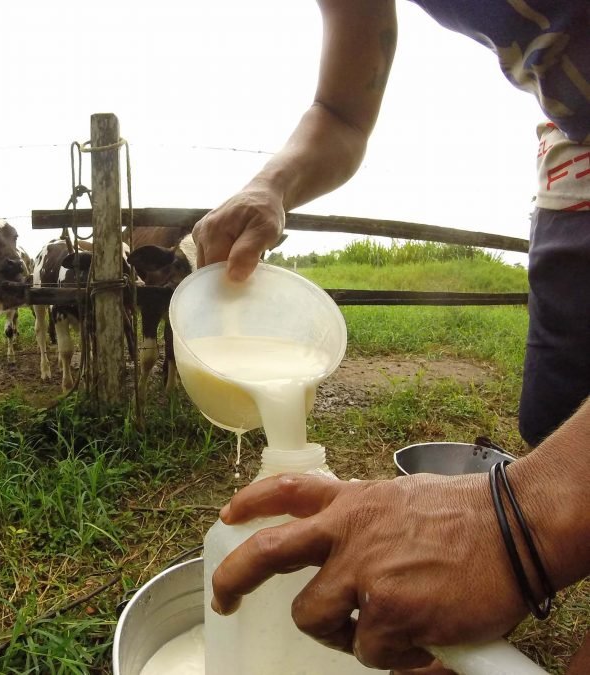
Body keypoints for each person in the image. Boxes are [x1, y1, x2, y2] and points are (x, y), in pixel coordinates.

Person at [192, 1, 590, 672]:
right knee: (558, 421)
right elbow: (342, 111)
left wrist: (517, 519)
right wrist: (273, 184)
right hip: (574, 155)